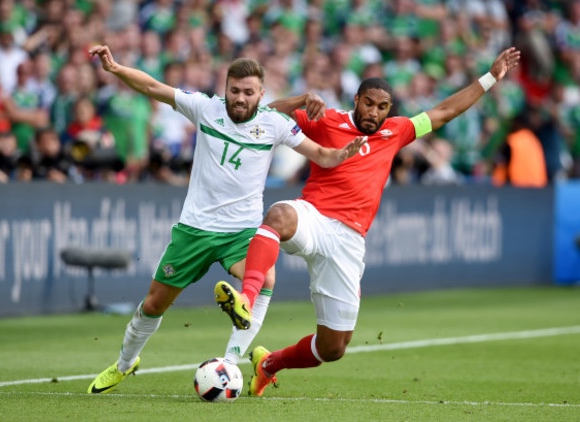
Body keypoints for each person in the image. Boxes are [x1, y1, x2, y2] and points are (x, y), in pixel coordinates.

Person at [213, 47, 521, 396]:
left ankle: (269, 364)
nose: (374, 112)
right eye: (368, 103)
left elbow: (445, 111)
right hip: (313, 217)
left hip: (349, 241)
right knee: (279, 215)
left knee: (333, 348)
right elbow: (263, 113)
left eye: (382, 107)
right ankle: (247, 300)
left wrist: (491, 77)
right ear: (356, 99)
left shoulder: (396, 132)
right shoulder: (327, 120)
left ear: (389, 110)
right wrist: (298, 100)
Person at [85, 44, 366, 394]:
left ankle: (230, 362)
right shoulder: (206, 108)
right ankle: (125, 364)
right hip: (195, 229)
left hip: (241, 231)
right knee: (154, 303)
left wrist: (345, 153)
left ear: (261, 95)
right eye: (234, 90)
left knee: (265, 278)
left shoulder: (274, 123)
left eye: (248, 92)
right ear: (225, 88)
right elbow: (154, 87)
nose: (240, 98)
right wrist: (116, 69)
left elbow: (323, 156)